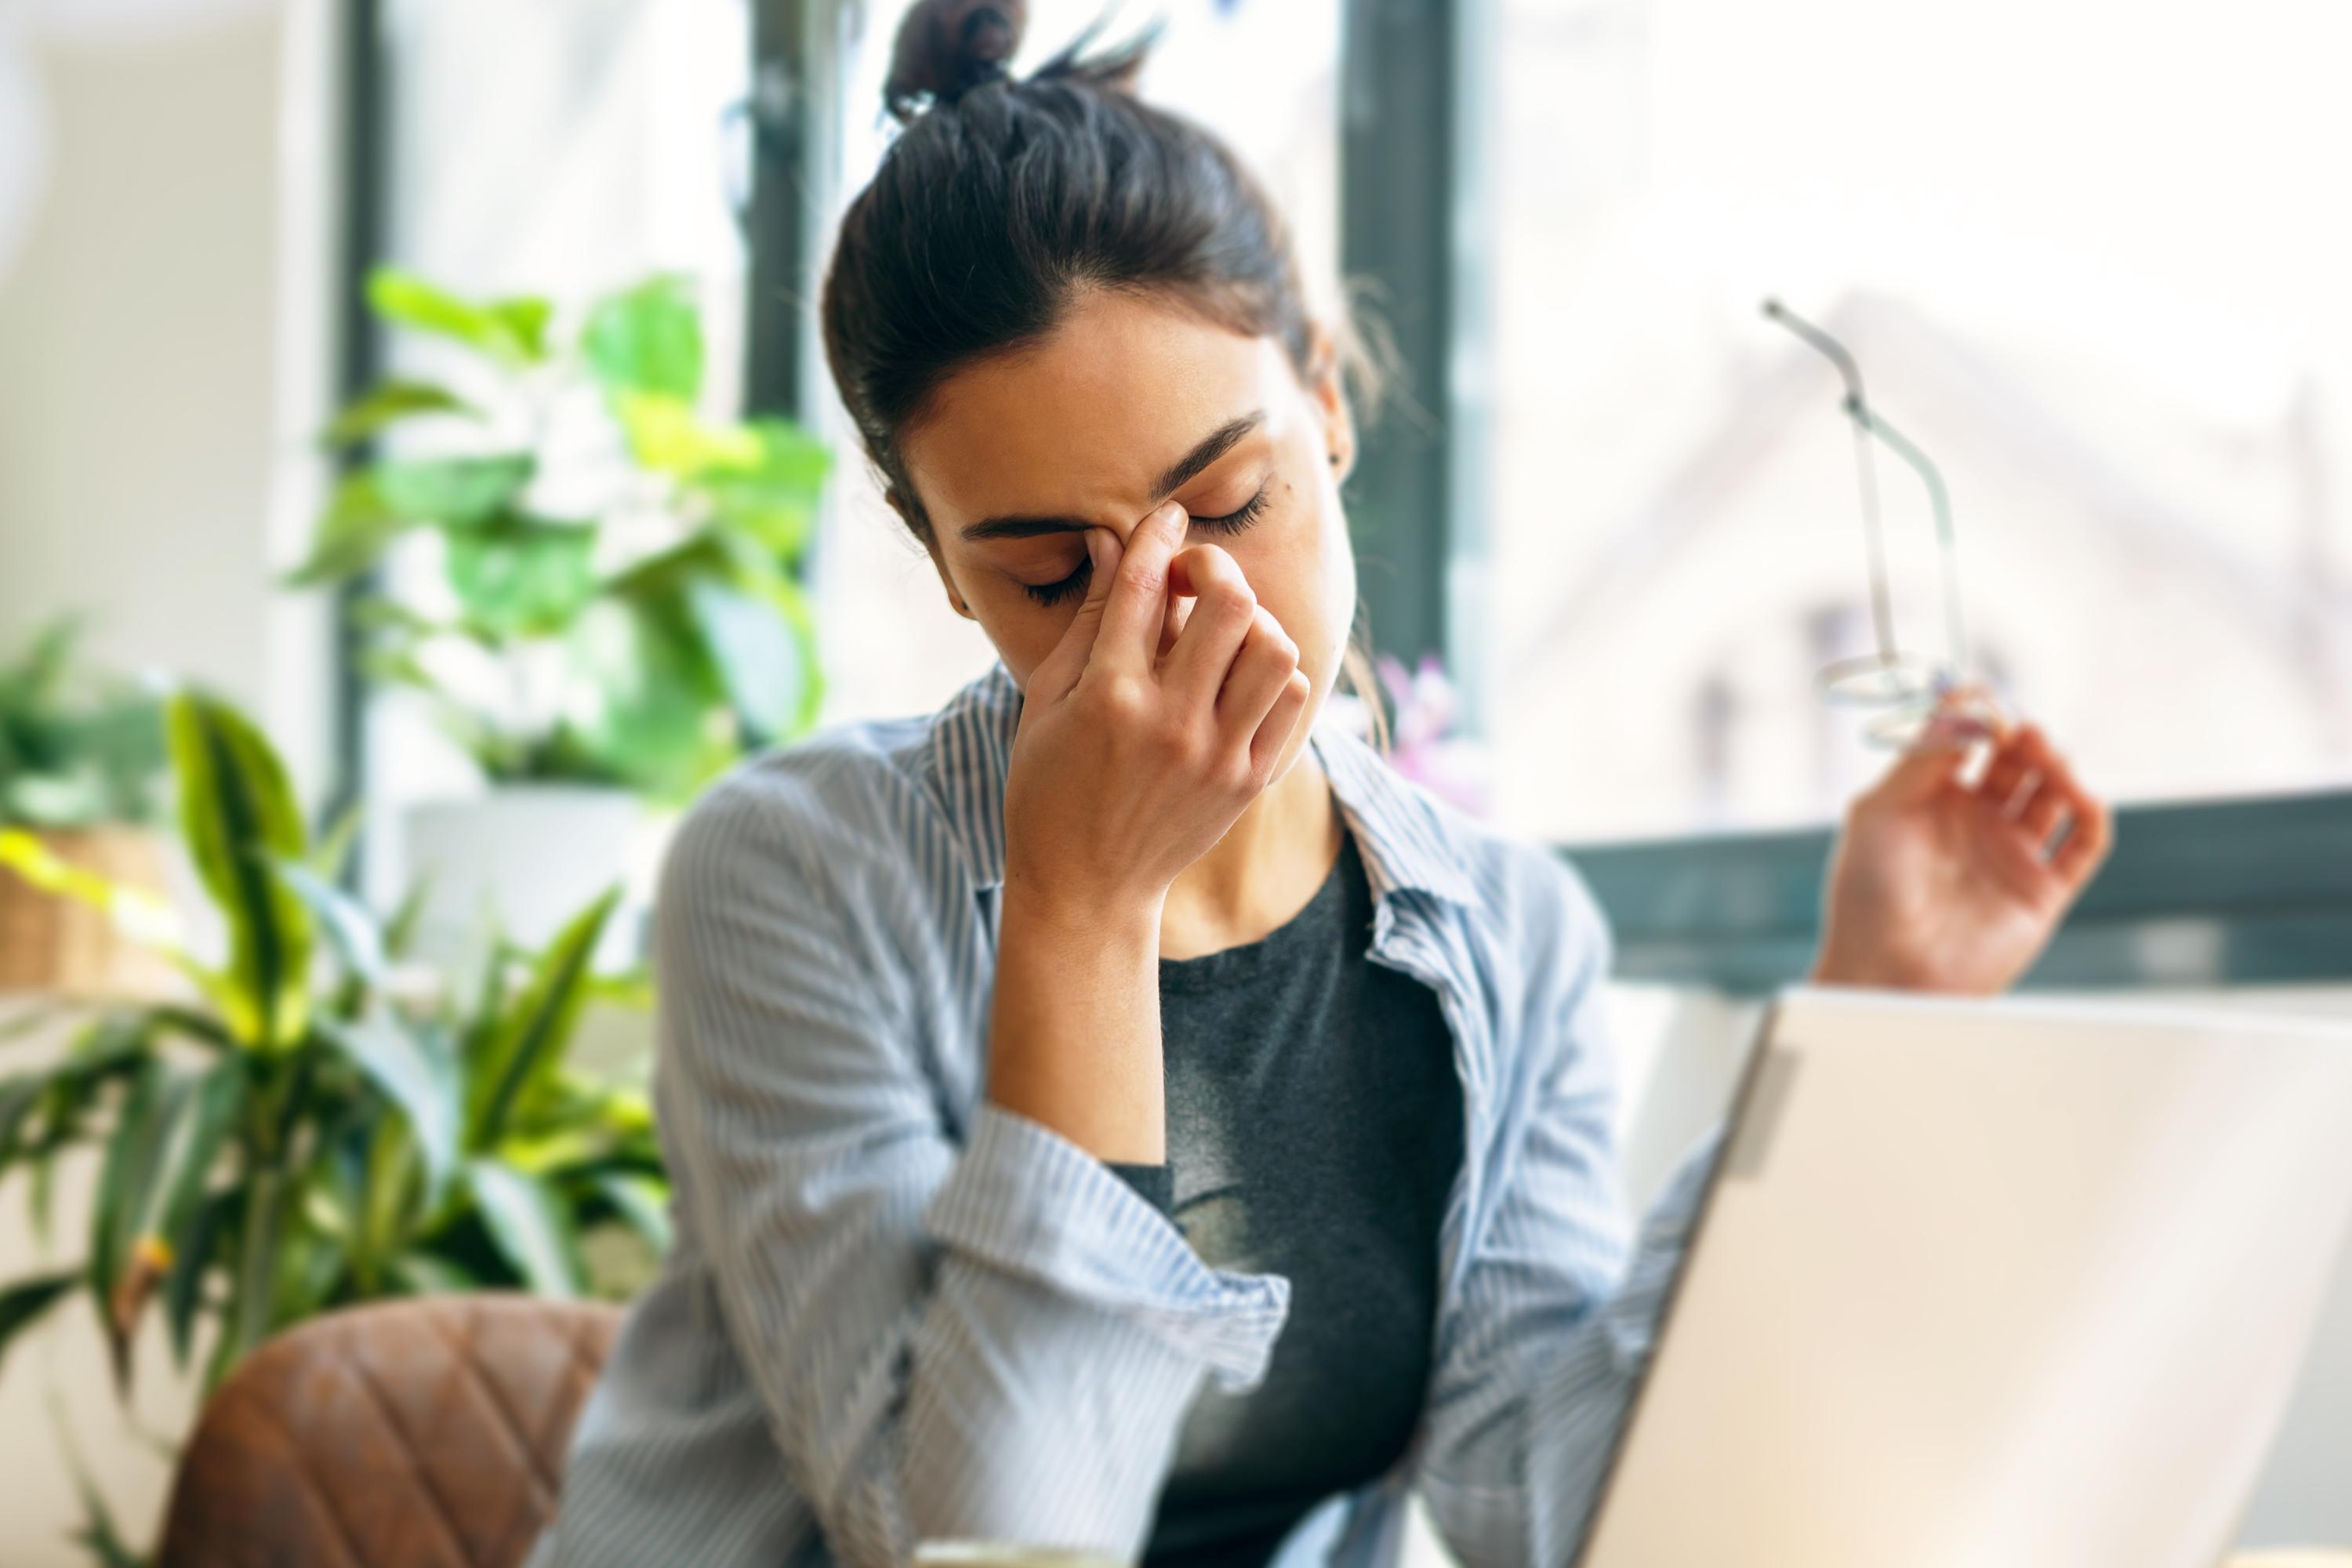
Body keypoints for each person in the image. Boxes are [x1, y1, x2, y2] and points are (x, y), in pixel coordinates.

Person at [524, 5, 2114, 1566]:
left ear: (1330, 399)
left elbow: (1549, 1507)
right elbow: (980, 1547)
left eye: (1227, 500)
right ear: (946, 569)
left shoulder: (1508, 938)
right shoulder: (795, 874)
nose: (1176, 615)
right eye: (1053, 574)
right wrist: (1082, 916)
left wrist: (1872, 1003)